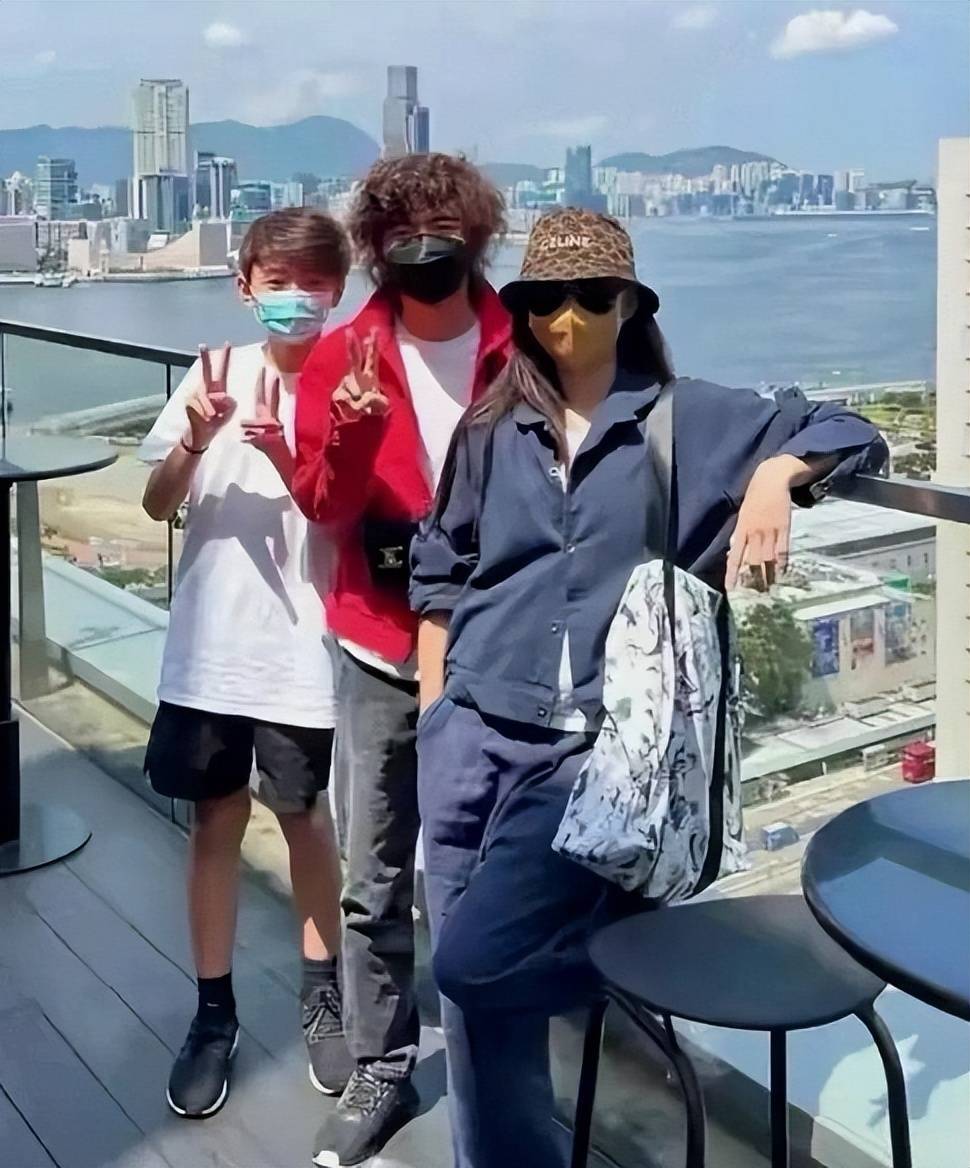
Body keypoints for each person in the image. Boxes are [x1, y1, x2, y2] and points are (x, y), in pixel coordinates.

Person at [410, 208, 888, 1168]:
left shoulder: (691, 420)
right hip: (469, 734)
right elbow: (441, 568)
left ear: (629, 305)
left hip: (592, 759)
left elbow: (852, 431)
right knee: (474, 1013)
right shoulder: (494, 426)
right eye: (546, 298)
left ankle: (621, 973)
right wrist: (435, 714)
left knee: (471, 968)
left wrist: (775, 478)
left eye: (593, 296)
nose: (568, 317)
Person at [292, 152, 511, 1167]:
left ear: (477, 235)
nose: (425, 247)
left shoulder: (522, 346)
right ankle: (383, 1061)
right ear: (377, 248)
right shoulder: (345, 356)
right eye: (403, 232)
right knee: (375, 875)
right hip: (378, 646)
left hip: (499, 651)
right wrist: (348, 433)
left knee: (495, 871)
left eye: (442, 229)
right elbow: (320, 504)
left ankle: (495, 1056)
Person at [139, 207, 353, 1119]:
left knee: (305, 820)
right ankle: (212, 1013)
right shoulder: (213, 372)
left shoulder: (354, 384)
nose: (295, 299)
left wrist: (297, 455)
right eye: (278, 282)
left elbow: (362, 518)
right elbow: (156, 505)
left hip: (305, 648)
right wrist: (196, 438)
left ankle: (324, 996)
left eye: (313, 283)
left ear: (339, 290)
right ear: (246, 287)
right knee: (213, 822)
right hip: (211, 648)